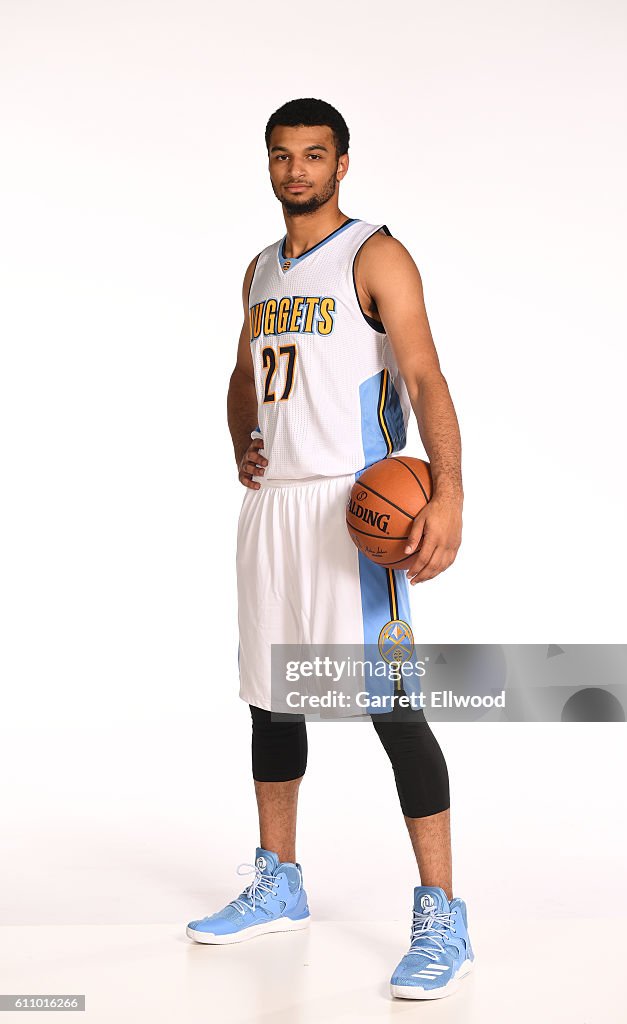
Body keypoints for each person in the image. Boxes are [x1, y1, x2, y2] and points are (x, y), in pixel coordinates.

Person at [186, 97, 474, 1001]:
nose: (296, 170)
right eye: (282, 155)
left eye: (314, 155)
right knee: (272, 704)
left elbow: (423, 374)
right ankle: (281, 881)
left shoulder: (375, 254)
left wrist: (450, 492)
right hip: (273, 510)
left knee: (393, 710)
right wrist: (243, 441)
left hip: (357, 511)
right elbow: (243, 376)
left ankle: (442, 914)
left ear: (342, 163)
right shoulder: (259, 271)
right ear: (268, 164)